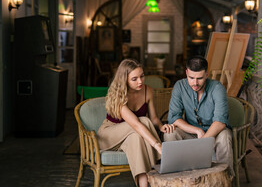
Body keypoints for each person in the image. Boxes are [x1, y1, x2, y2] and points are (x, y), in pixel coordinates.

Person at [97, 59, 175, 187]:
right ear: (124, 80)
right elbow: (136, 124)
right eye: (134, 79)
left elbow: (154, 118)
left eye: (142, 76)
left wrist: (162, 126)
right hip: (109, 135)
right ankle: (160, 161)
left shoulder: (147, 90)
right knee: (143, 120)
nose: (140, 81)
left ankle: (144, 185)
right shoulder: (119, 95)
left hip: (133, 133)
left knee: (136, 138)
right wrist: (157, 145)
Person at [164, 56, 234, 176]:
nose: (195, 83)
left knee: (225, 136)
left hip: (215, 133)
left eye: (200, 78)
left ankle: (225, 178)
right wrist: (197, 130)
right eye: (191, 78)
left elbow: (220, 122)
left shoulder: (217, 88)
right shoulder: (179, 87)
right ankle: (176, 177)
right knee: (170, 134)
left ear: (207, 74)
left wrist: (203, 141)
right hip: (191, 132)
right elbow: (174, 117)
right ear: (186, 73)